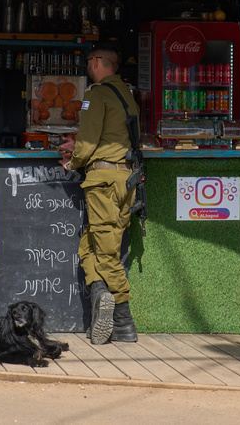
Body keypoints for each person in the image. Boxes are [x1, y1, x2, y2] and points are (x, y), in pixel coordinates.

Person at [59, 45, 139, 344]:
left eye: (89, 61)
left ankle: (124, 320)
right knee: (90, 243)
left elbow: (90, 140)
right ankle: (101, 292)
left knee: (105, 253)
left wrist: (73, 160)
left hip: (103, 179)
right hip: (126, 180)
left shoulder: (97, 93)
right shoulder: (128, 95)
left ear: (96, 62)